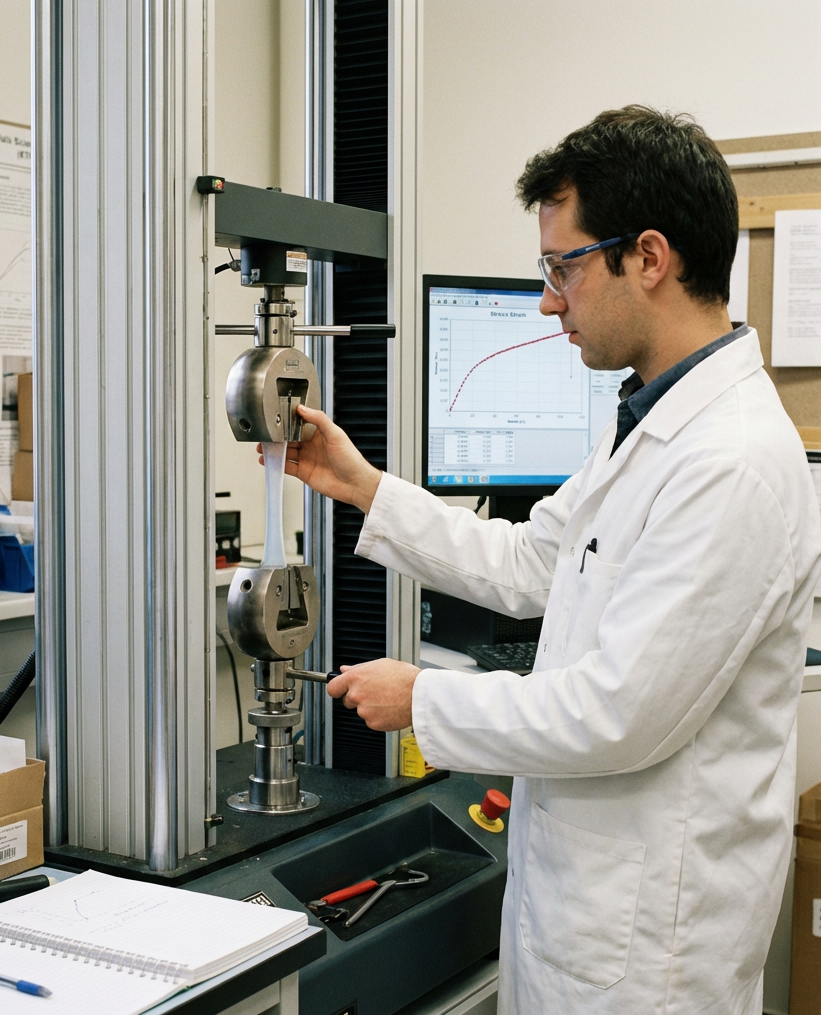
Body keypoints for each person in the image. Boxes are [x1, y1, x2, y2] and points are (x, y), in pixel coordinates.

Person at [281, 107, 821, 1013]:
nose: (548, 300)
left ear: (648, 258)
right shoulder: (651, 419)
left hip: (652, 957)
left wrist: (425, 699)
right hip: (592, 917)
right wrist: (365, 486)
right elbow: (533, 559)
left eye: (563, 266)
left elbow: (617, 714)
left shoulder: (730, 461)